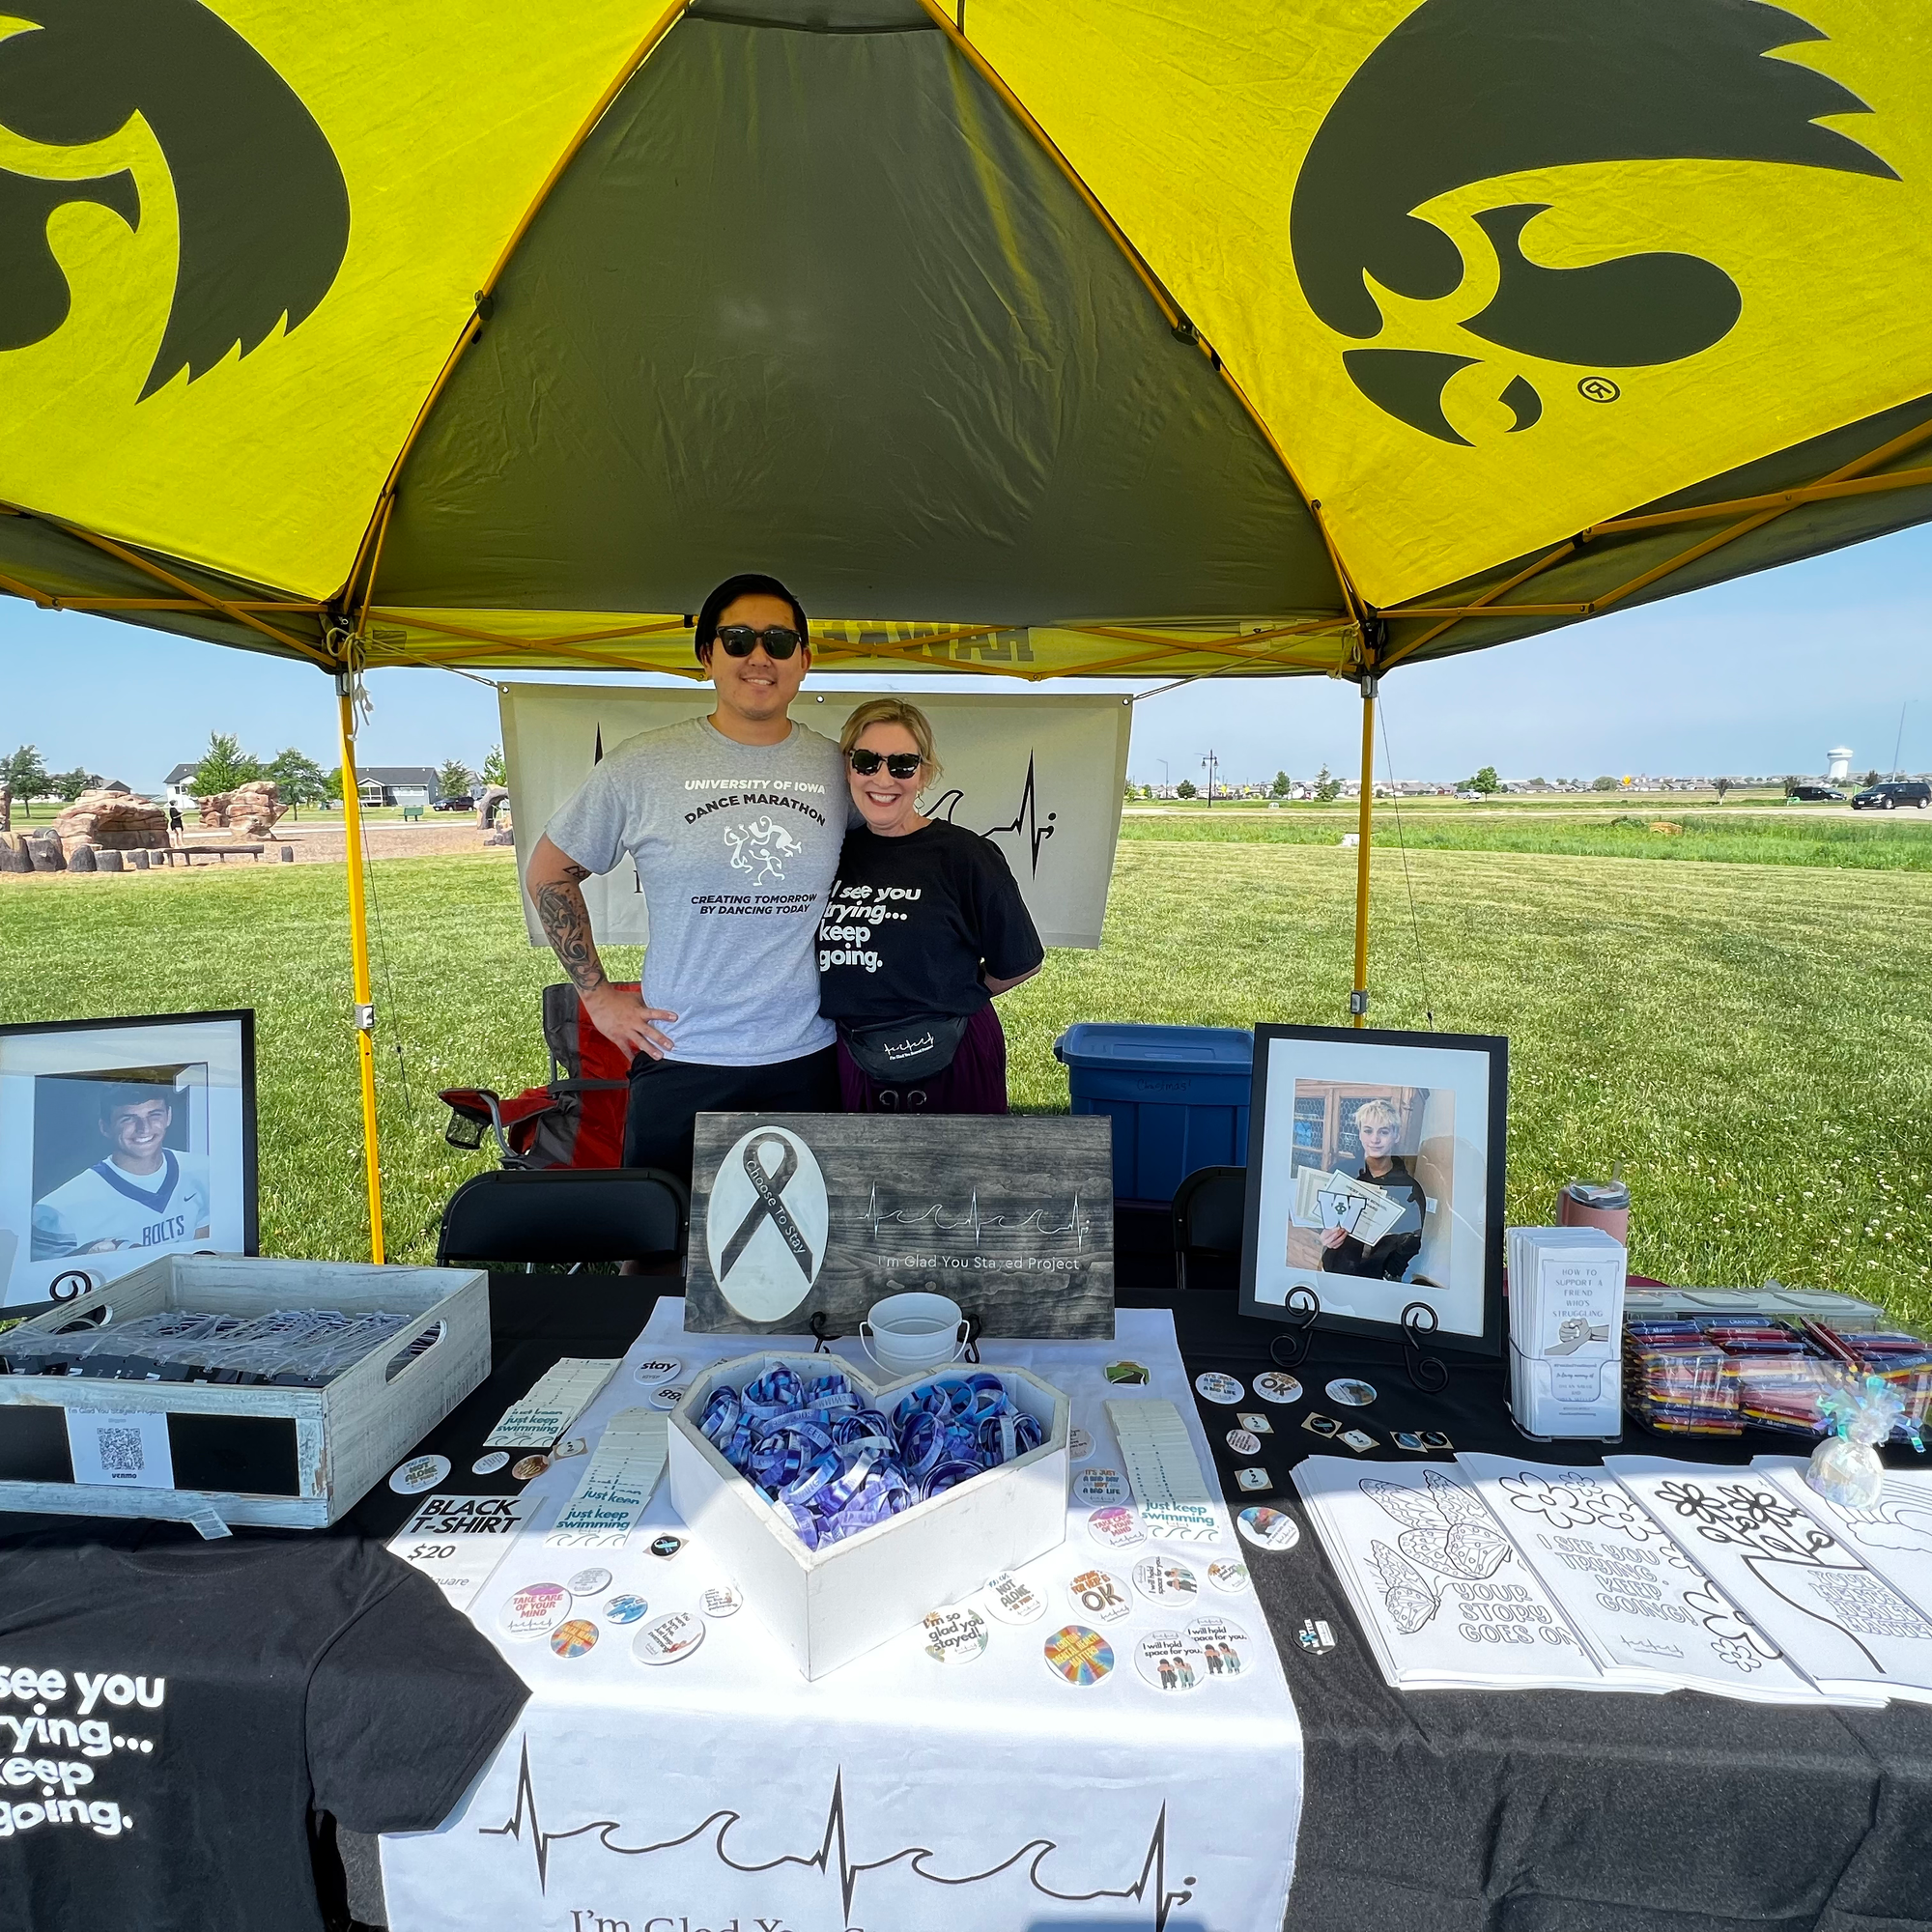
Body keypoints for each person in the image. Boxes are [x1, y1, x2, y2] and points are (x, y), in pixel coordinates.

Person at [523, 573, 848, 1181]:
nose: (759, 656)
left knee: (800, 1254)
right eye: (738, 639)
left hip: (808, 1055)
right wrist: (597, 997)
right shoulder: (643, 764)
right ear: (707, 656)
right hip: (682, 1055)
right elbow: (549, 872)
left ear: (804, 660)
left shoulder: (840, 768)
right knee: (656, 1246)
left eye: (779, 641)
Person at [817, 699, 1042, 1113]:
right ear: (848, 768)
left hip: (954, 1055)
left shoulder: (965, 855)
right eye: (866, 761)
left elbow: (1019, 962)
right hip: (857, 1058)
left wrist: (949, 996)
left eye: (902, 764)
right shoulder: (831, 853)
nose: (883, 778)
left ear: (923, 774)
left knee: (964, 1175)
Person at [32, 1083, 212, 1261]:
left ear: (169, 1116)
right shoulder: (58, 1209)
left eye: (154, 1115)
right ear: (105, 1127)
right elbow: (43, 1283)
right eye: (128, 1119)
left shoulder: (203, 1171)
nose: (145, 1128)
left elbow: (206, 1246)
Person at [1319, 1095, 1425, 1282]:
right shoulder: (1340, 1172)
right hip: (1332, 1273)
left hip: (1377, 1283)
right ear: (1359, 1134)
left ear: (1396, 1135)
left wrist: (1390, 1273)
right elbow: (1319, 1213)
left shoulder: (1409, 1188)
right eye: (1368, 1131)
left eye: (1383, 1132)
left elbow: (1413, 1241)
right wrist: (1324, 1234)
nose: (1374, 1139)